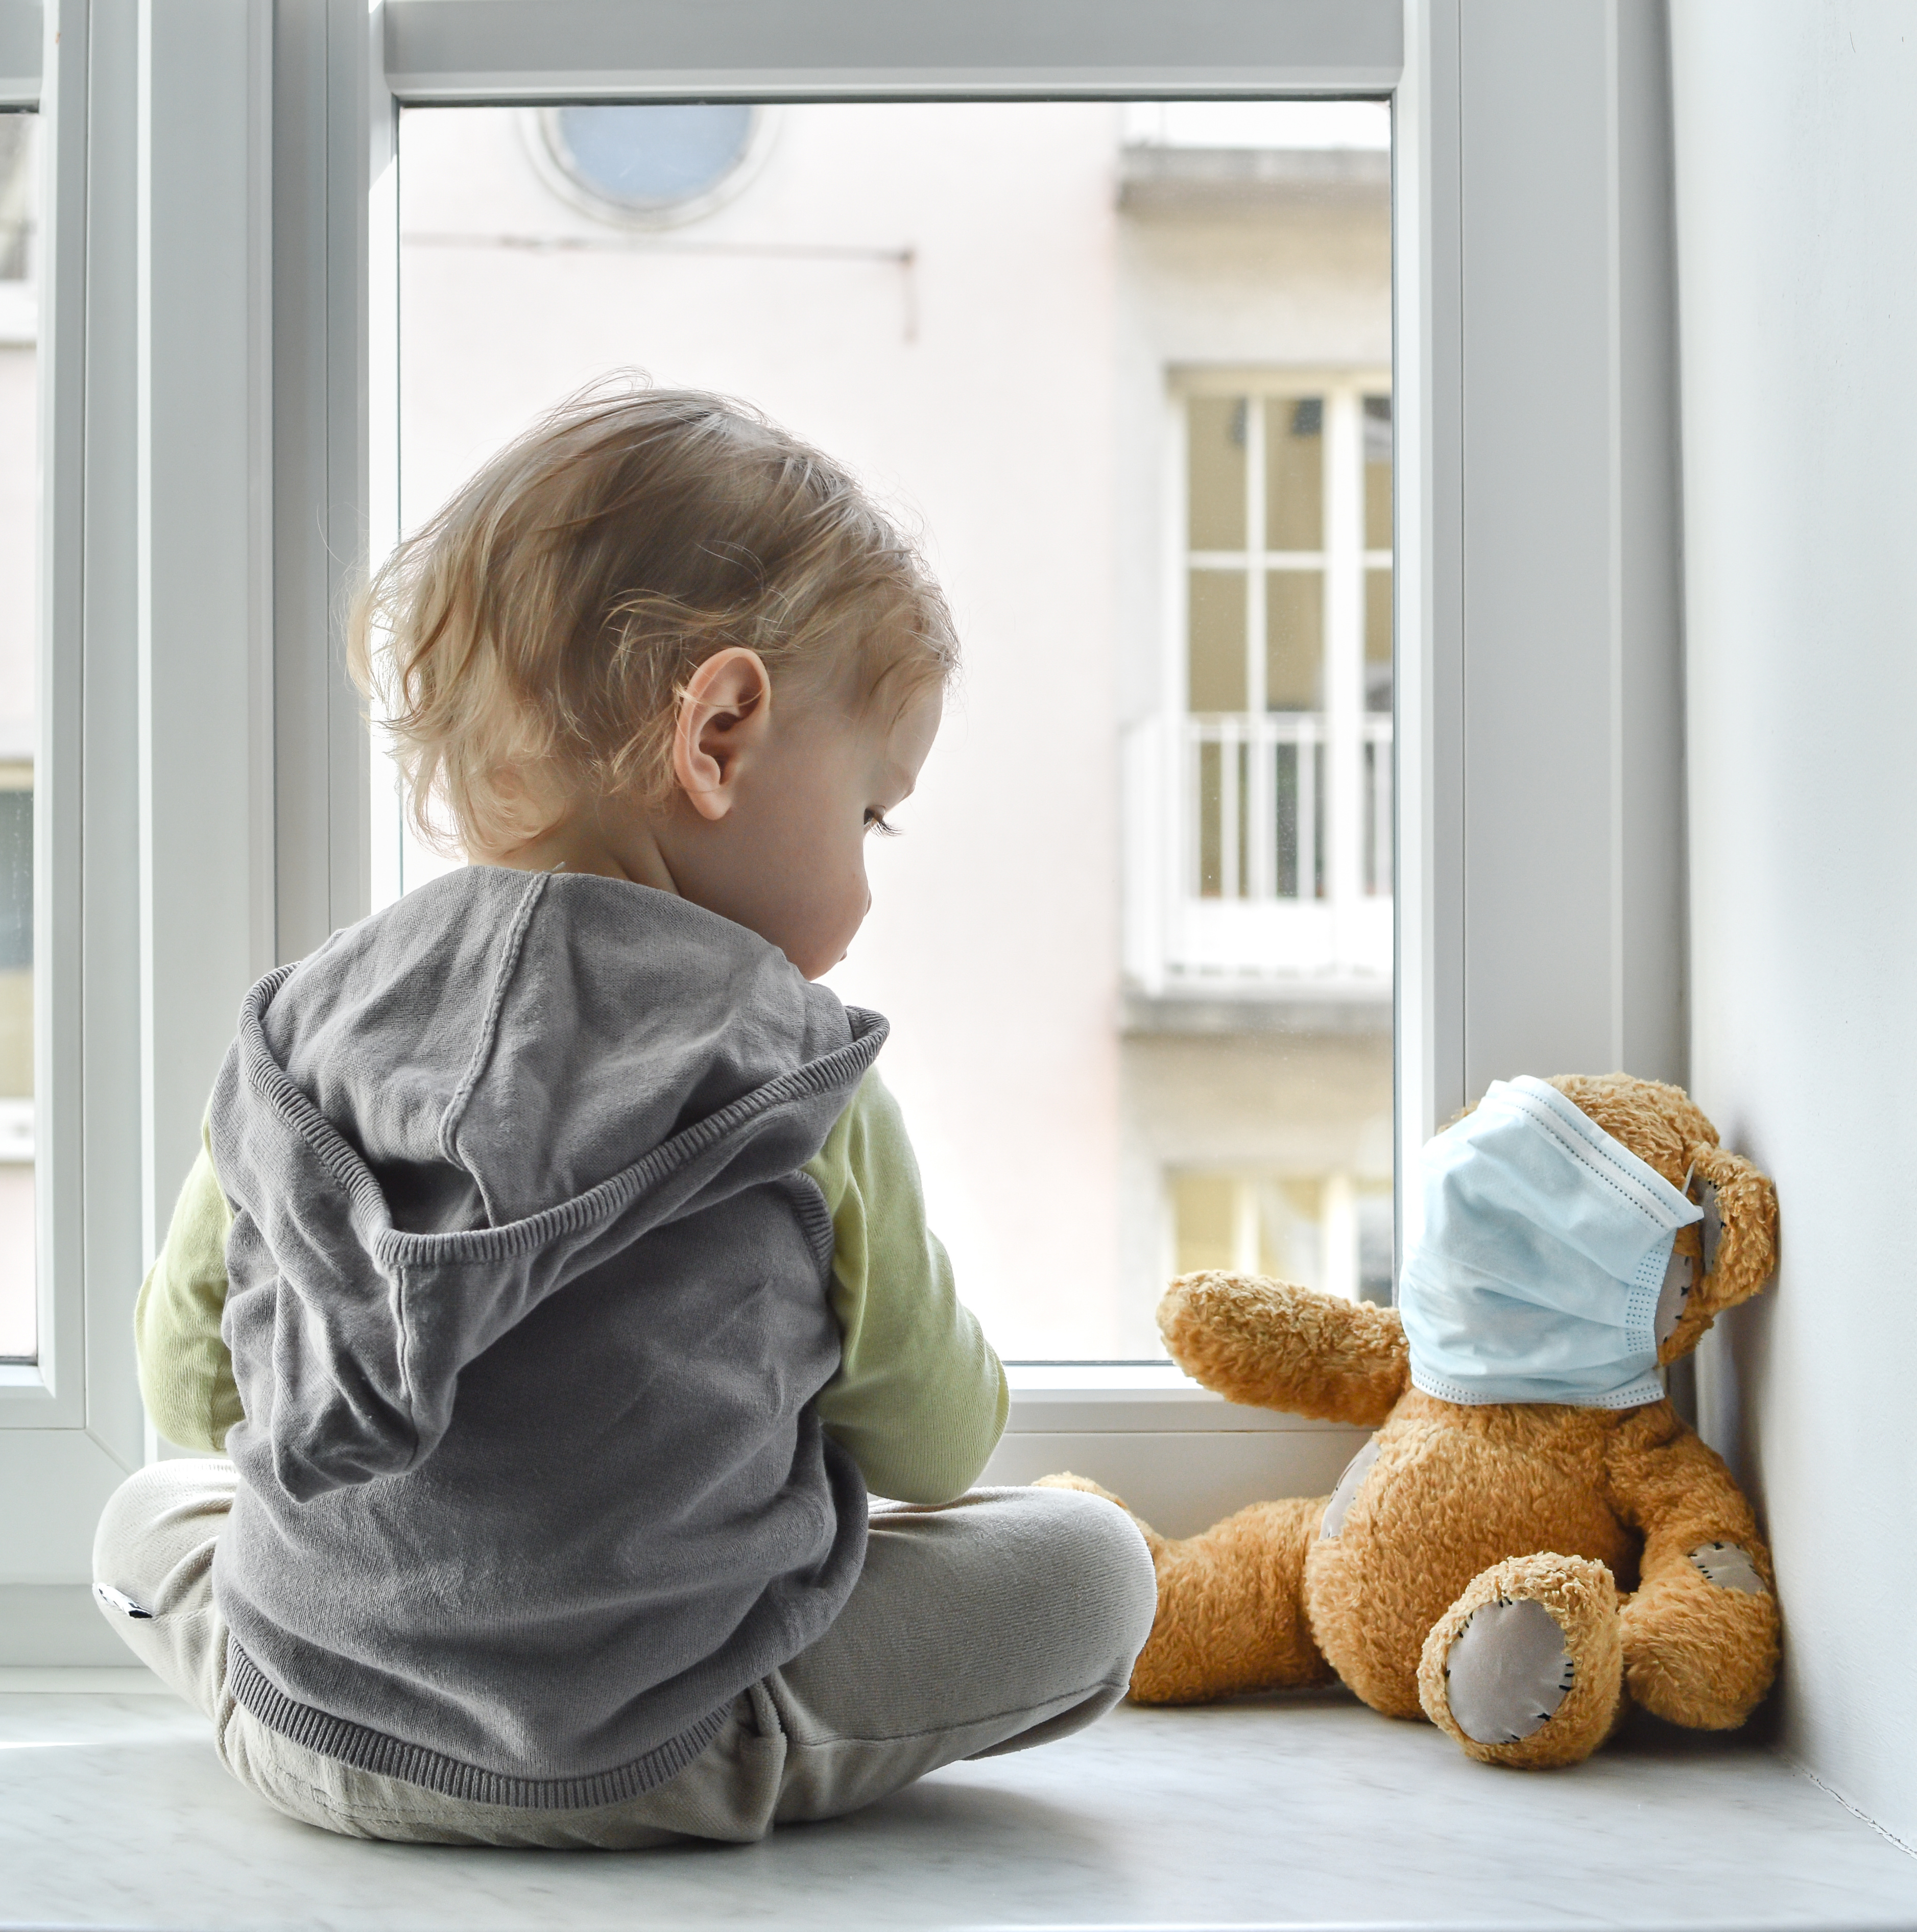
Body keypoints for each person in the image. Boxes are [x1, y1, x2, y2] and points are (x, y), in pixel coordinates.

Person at [92, 386, 1156, 1848]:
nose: (863, 879)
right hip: (678, 1740)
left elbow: (195, 1393)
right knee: (1096, 1565)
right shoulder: (793, 1065)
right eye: (869, 815)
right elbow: (934, 1445)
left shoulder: (303, 1024)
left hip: (309, 1720)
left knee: (145, 1517)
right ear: (718, 734)